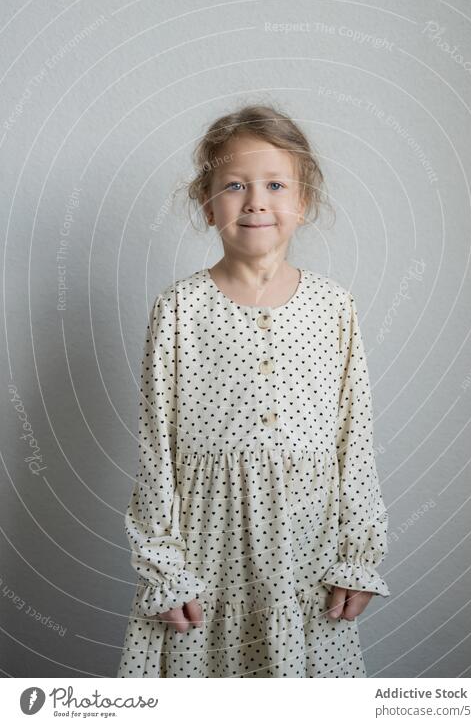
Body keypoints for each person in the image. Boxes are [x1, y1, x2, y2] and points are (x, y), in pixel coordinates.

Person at [117, 104, 390, 678]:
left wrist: (357, 557)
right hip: (204, 560)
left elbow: (354, 440)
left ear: (304, 201)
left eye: (275, 185)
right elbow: (155, 449)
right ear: (207, 201)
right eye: (235, 185)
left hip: (305, 558)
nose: (256, 201)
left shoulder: (333, 308)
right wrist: (164, 568)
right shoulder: (179, 311)